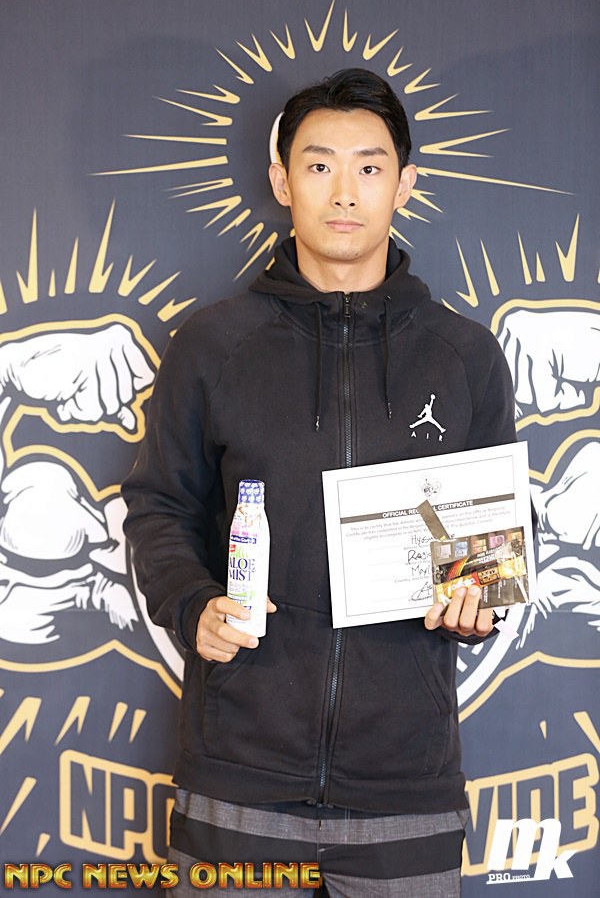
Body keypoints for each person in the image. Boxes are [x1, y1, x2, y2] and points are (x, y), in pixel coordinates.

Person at [122, 68, 517, 896]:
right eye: (319, 165)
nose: (345, 192)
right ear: (281, 181)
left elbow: (491, 547)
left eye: (370, 167)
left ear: (405, 184)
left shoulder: (466, 355)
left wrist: (478, 598)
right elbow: (160, 506)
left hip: (404, 786)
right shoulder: (211, 345)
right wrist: (193, 606)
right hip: (238, 773)